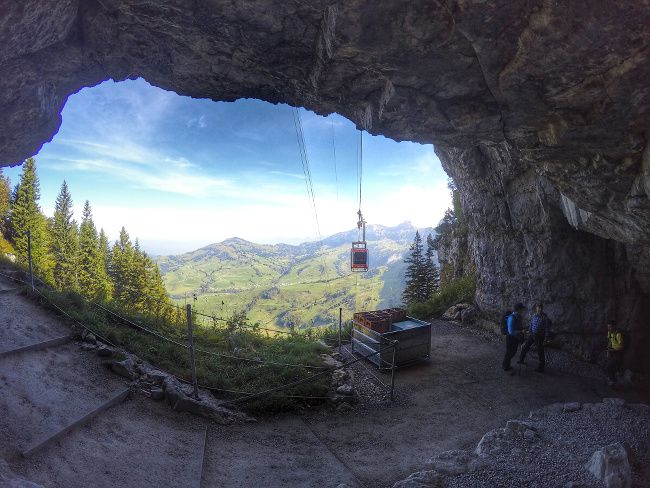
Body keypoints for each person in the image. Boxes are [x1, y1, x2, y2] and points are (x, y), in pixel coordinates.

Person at [517, 303, 551, 373]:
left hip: (539, 336)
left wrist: (546, 338)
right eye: (538, 307)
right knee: (525, 346)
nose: (539, 309)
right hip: (532, 334)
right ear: (536, 308)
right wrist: (529, 331)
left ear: (542, 308)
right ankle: (521, 360)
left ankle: (541, 368)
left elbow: (547, 329)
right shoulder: (534, 316)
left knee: (540, 352)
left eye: (540, 308)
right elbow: (531, 324)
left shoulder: (545, 318)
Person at [502, 302, 525, 374]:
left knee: (513, 352)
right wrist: (520, 331)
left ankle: (507, 365)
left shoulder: (518, 316)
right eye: (522, 309)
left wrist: (521, 331)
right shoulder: (512, 317)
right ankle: (505, 366)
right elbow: (510, 331)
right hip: (510, 337)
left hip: (515, 337)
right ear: (519, 309)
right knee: (509, 352)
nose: (523, 310)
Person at [606, 320, 625, 387]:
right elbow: (609, 341)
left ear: (614, 327)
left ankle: (613, 381)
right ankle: (613, 381)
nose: (609, 328)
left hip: (618, 353)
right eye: (608, 327)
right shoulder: (610, 332)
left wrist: (613, 350)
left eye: (610, 327)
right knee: (610, 367)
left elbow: (622, 347)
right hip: (612, 351)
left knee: (609, 367)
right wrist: (608, 350)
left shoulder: (618, 334)